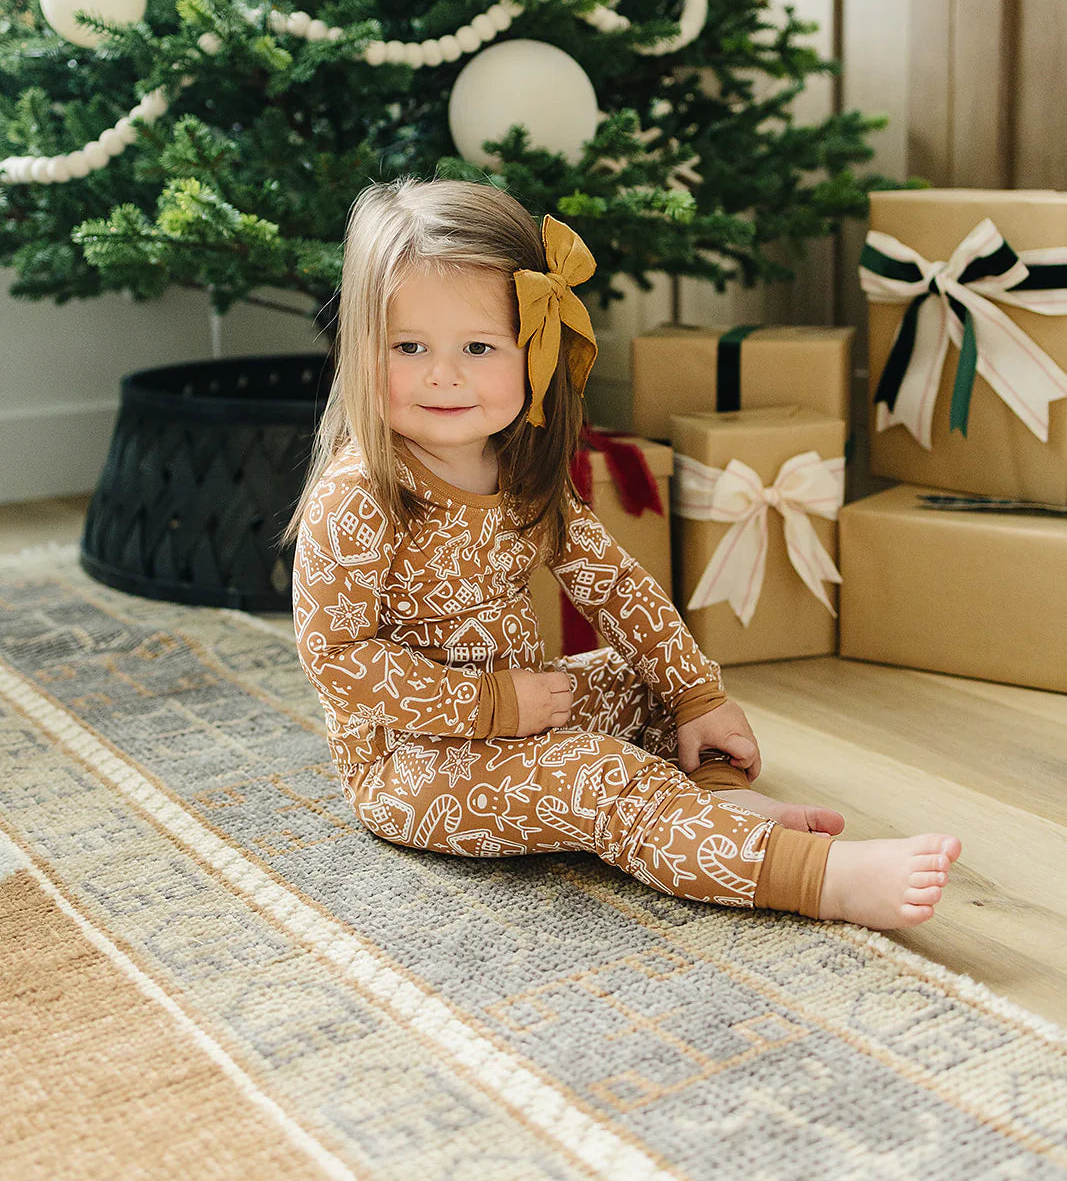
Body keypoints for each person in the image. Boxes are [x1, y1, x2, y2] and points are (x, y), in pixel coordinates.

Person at [285, 178, 961, 929]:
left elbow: (615, 586)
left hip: (524, 709)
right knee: (597, 774)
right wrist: (490, 705)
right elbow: (338, 661)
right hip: (413, 766)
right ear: (361, 348)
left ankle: (718, 798)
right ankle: (814, 877)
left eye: (478, 347)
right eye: (408, 348)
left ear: (533, 354)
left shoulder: (516, 471)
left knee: (638, 681)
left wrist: (696, 696)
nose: (443, 374)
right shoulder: (359, 495)